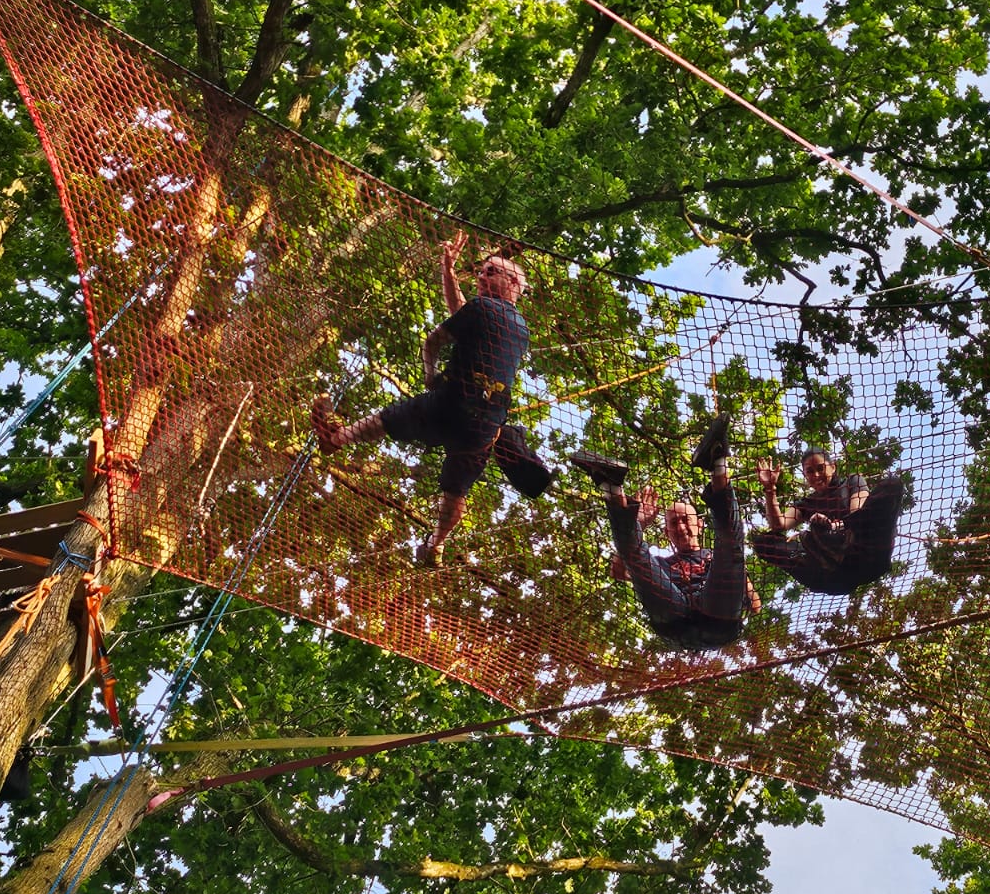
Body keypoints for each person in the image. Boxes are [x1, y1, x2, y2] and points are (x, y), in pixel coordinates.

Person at [309, 234, 552, 566]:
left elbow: (434, 341)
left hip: (451, 404)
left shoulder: (482, 308)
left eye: (491, 271)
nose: (481, 276)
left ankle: (336, 439)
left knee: (387, 418)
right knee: (456, 491)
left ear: (512, 282)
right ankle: (435, 545)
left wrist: (430, 375)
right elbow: (463, 313)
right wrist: (448, 272)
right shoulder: (521, 328)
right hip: (483, 429)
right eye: (480, 272)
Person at [571, 415, 761, 650]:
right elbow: (619, 572)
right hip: (674, 620)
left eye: (685, 520)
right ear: (666, 532)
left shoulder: (715, 558)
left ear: (700, 524)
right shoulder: (661, 564)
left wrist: (736, 576)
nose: (680, 527)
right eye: (674, 522)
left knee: (731, 544)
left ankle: (717, 461)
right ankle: (611, 486)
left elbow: (755, 606)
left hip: (718, 618)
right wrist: (639, 524)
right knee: (637, 556)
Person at [751, 449, 905, 595]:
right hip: (836, 575)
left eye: (821, 468)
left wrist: (834, 527)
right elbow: (779, 525)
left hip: (866, 552)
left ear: (833, 467)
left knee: (892, 484)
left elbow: (858, 513)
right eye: (810, 471)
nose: (816, 475)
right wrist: (770, 488)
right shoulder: (807, 503)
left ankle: (829, 543)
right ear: (805, 476)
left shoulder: (852, 482)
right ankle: (825, 556)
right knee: (764, 543)